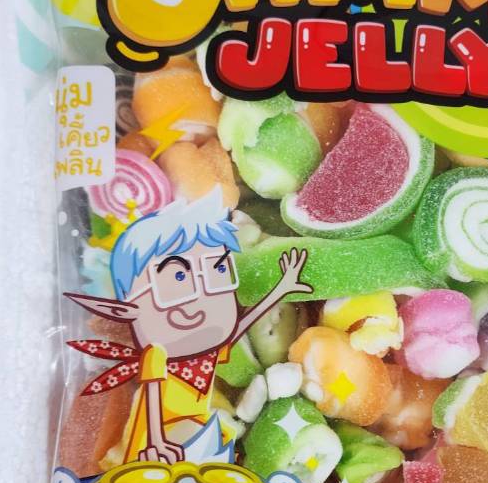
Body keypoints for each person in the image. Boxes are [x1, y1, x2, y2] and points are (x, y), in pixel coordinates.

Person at [66, 187, 311, 462]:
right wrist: (155, 443)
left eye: (217, 274)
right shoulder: (158, 354)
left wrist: (281, 288)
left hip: (198, 430)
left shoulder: (208, 348)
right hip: (156, 442)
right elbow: (153, 401)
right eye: (178, 280)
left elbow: (242, 325)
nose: (199, 301)